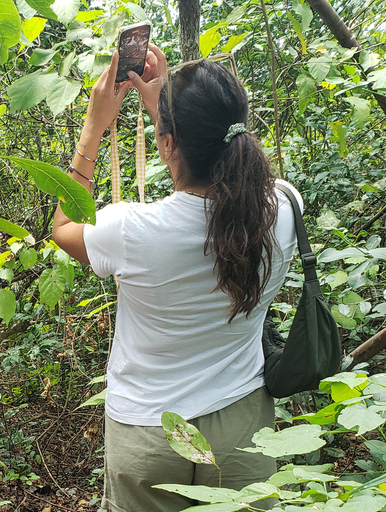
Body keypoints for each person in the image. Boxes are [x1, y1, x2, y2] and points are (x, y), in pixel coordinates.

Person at [52, 46, 301, 511]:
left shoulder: (130, 230)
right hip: (241, 420)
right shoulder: (285, 208)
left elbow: (64, 228)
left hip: (149, 430)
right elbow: (219, 186)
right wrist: (166, 114)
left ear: (168, 144)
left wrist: (95, 125)